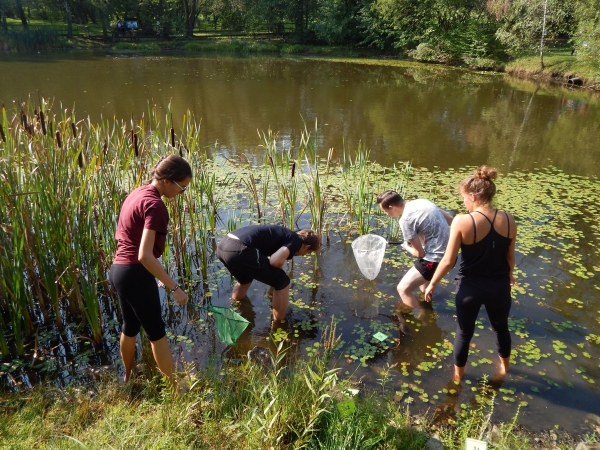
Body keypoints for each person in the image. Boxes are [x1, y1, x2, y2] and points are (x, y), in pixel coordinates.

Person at [425, 166, 517, 382]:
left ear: (473, 196)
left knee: (464, 334)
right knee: (501, 328)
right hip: (499, 288)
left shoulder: (462, 221)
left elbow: (448, 261)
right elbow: (510, 257)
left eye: (464, 198)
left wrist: (432, 284)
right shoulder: (509, 219)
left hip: (470, 289)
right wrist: (510, 275)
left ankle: (458, 378)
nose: (464, 203)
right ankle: (505, 369)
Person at [109, 155, 192, 389]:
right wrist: (174, 287)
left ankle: (128, 376)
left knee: (130, 326)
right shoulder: (155, 205)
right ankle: (175, 390)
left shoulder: (138, 193)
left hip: (119, 271)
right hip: (135, 272)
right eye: (181, 188)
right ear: (167, 180)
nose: (181, 194)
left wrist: (153, 277)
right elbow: (144, 255)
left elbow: (133, 241)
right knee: (157, 333)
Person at [216, 225, 320, 324]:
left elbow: (272, 260)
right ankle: (278, 322)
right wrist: (277, 283)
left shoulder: (286, 235)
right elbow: (274, 262)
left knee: (245, 279)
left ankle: (237, 305)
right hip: (239, 249)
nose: (304, 255)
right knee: (282, 281)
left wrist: (273, 281)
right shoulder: (295, 241)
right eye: (308, 252)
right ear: (307, 247)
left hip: (223, 246)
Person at [376, 190, 453, 317]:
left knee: (403, 289)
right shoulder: (422, 202)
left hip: (435, 258)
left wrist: (406, 247)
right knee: (423, 288)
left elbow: (419, 254)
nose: (387, 214)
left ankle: (423, 317)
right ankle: (426, 304)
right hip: (450, 253)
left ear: (391, 207)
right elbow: (450, 220)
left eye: (385, 211)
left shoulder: (405, 220)